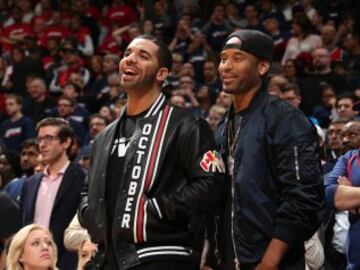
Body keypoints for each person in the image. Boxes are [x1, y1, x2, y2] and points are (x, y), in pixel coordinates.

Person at [78, 34, 227, 270]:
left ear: (162, 74)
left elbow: (212, 185)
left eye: (143, 56)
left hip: (162, 255)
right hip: (107, 258)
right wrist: (91, 215)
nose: (130, 59)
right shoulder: (104, 137)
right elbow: (88, 191)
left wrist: (153, 210)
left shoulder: (186, 124)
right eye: (127, 54)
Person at [211, 29, 324, 270]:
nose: (226, 66)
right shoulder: (222, 126)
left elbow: (304, 197)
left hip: (272, 262)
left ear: (262, 67)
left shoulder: (284, 118)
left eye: (237, 58)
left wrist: (269, 262)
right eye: (223, 58)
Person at [20, 117, 86, 270]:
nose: (42, 144)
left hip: (68, 264)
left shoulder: (84, 180)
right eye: (40, 139)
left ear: (66, 142)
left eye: (49, 138)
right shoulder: (29, 184)